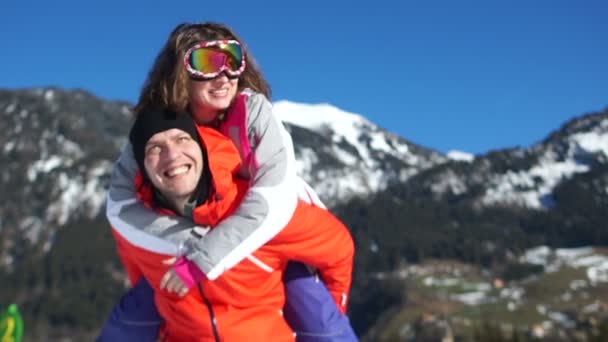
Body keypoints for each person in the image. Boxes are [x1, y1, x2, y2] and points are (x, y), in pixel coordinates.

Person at [101, 21, 357, 340]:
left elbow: (273, 202)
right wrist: (186, 244)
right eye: (207, 62)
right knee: (135, 315)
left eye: (232, 59)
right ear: (179, 72)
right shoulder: (159, 126)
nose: (223, 75)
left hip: (278, 232)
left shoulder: (252, 114)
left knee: (316, 315)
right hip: (206, 235)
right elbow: (120, 204)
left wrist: (202, 258)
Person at [108, 109, 354, 341]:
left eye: (182, 139)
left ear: (202, 148)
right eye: (155, 147)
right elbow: (140, 274)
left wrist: (328, 318)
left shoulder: (258, 213)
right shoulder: (137, 227)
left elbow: (338, 249)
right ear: (143, 167)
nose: (172, 155)